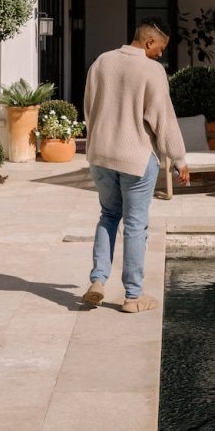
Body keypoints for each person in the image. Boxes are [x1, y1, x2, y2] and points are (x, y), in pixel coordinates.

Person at [82, 18, 190, 313]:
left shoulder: (101, 62)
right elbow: (163, 118)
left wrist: (97, 141)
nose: (161, 55)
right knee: (134, 226)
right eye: (160, 49)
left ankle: (98, 281)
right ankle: (132, 296)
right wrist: (178, 157)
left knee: (108, 216)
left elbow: (89, 108)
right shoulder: (152, 70)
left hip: (100, 156)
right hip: (136, 158)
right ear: (148, 42)